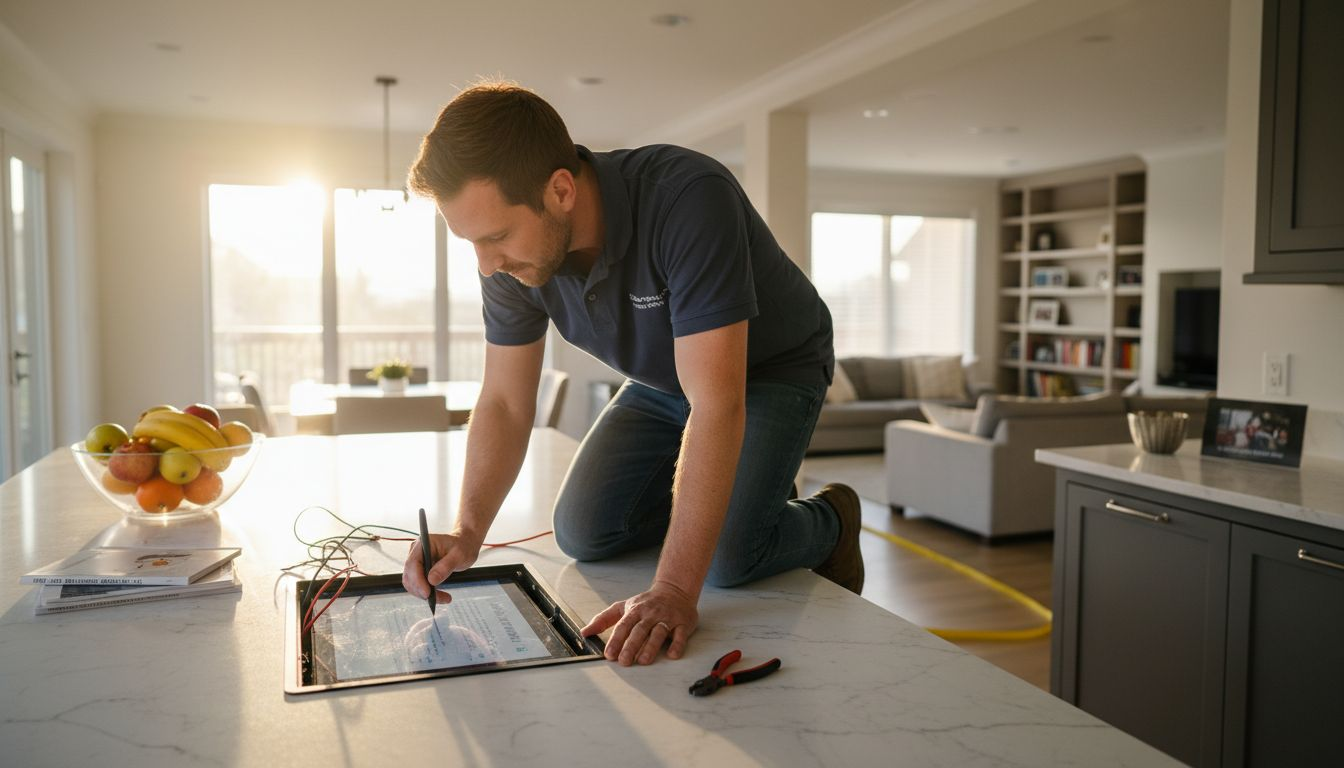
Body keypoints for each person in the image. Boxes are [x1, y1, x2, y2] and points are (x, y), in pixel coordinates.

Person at [400, 82, 862, 667]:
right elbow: (505, 404)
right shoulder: (510, 265)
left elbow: (717, 404)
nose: (487, 265)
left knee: (726, 560)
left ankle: (831, 520)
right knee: (584, 533)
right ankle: (747, 492)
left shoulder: (689, 197)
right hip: (665, 376)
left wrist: (672, 589)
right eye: (470, 242)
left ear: (560, 190)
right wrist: (467, 534)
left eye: (495, 237)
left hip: (767, 369)